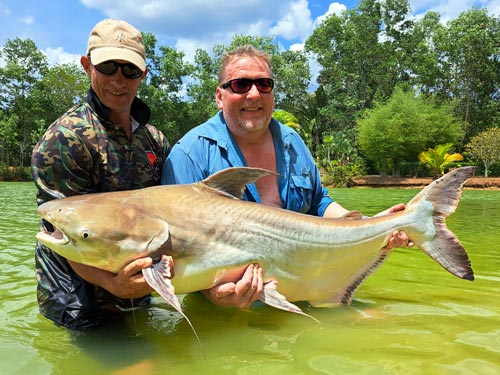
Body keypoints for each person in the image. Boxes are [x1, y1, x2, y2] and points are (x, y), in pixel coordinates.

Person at [162, 45, 412, 310]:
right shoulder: (188, 155)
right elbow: (172, 252)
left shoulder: (293, 142)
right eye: (240, 84)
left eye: (264, 84)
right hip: (218, 316)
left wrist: (370, 227)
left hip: (300, 299)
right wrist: (216, 295)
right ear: (220, 96)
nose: (254, 93)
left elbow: (319, 203)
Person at [32, 19, 169, 329]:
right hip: (77, 298)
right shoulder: (65, 139)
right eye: (108, 67)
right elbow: (62, 233)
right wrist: (114, 285)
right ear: (87, 65)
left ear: (143, 74)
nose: (118, 81)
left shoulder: (155, 141)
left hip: (138, 291)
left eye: (129, 70)